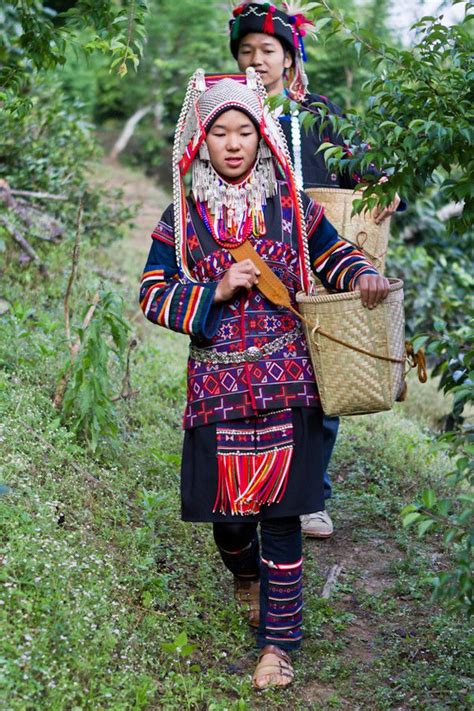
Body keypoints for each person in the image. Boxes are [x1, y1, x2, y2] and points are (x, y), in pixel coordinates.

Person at [139, 68, 389, 689]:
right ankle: (245, 576)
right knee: (228, 521)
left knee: (281, 516)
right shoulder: (185, 216)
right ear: (202, 138)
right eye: (219, 132)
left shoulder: (292, 205)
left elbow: (333, 253)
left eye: (243, 132)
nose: (231, 143)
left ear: (263, 138)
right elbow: (151, 294)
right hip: (218, 392)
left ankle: (278, 644)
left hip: (290, 386)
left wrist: (359, 275)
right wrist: (213, 289)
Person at [229, 0, 401, 538]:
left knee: (322, 384)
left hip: (320, 263)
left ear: (289, 57)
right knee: (259, 378)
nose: (256, 60)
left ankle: (311, 497)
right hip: (255, 266)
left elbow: (361, 164)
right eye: (246, 52)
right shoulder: (230, 114)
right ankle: (255, 484)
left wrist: (380, 186)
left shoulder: (314, 114)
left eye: (267, 51)